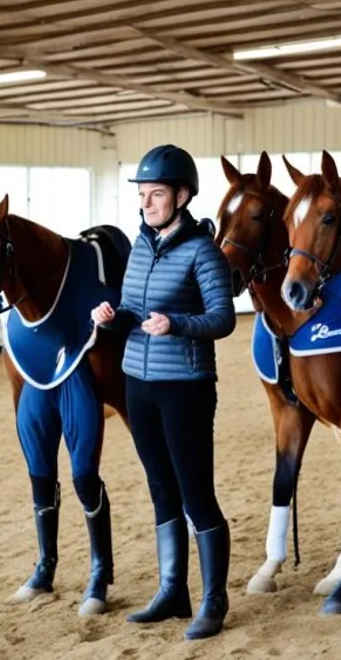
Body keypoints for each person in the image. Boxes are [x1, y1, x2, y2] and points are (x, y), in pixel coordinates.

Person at [91, 144, 237, 640]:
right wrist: (112, 316)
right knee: (161, 490)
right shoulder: (139, 246)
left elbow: (223, 319)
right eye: (142, 194)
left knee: (197, 494)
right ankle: (173, 590)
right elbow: (132, 308)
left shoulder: (204, 252)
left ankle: (214, 600)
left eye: (156, 195)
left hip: (186, 388)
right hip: (139, 384)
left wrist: (175, 324)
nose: (146, 203)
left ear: (182, 195)